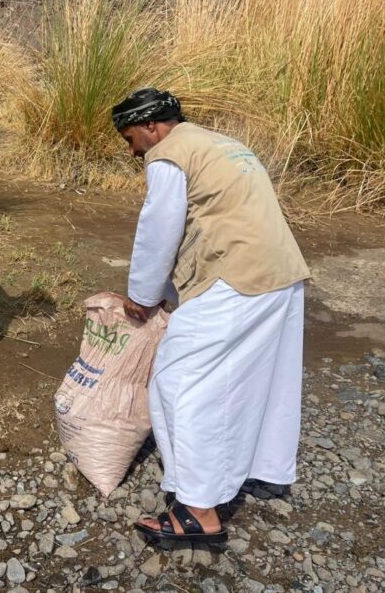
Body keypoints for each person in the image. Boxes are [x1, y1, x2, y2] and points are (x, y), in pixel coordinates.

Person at [113, 87, 310, 544]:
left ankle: (198, 512)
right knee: (267, 376)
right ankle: (268, 471)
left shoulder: (169, 154)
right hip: (281, 273)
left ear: (150, 126)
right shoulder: (226, 144)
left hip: (234, 278)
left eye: (130, 138)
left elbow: (160, 228)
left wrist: (142, 296)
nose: (132, 149)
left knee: (179, 382)